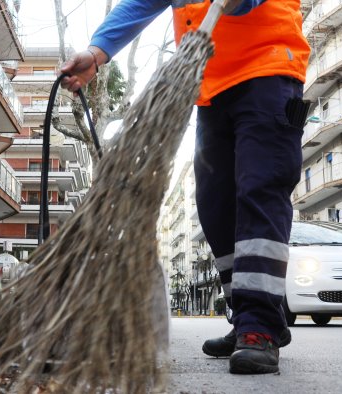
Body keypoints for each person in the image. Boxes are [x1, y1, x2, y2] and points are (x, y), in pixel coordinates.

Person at [61, 0, 309, 375]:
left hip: (268, 71)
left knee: (259, 191)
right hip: (209, 88)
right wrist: (97, 53)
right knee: (214, 203)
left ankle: (259, 327)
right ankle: (246, 316)